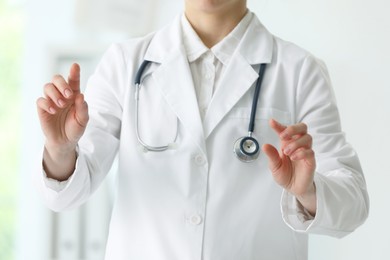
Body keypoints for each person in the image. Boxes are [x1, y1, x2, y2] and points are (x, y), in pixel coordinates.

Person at [35, 0, 369, 259]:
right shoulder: (125, 63)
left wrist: (307, 190)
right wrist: (61, 148)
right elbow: (68, 194)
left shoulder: (299, 71)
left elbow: (353, 204)